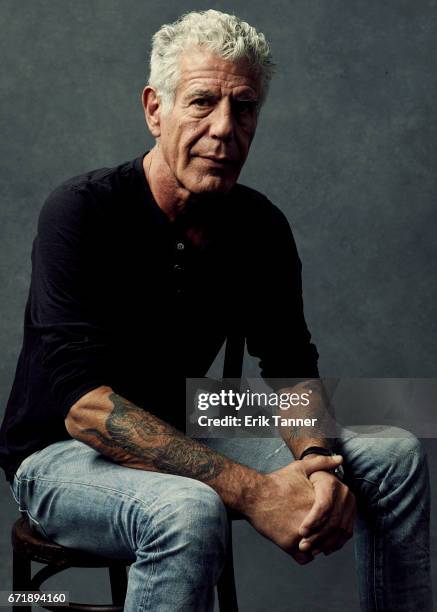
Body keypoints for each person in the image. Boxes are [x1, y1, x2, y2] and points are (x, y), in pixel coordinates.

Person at [0, 10, 433, 611]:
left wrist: (318, 461)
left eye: (245, 107)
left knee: (395, 455)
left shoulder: (260, 224)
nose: (225, 129)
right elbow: (85, 409)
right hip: (59, 451)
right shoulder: (79, 211)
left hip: (196, 415)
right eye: (202, 102)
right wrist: (256, 494)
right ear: (156, 109)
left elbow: (289, 366)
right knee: (188, 509)